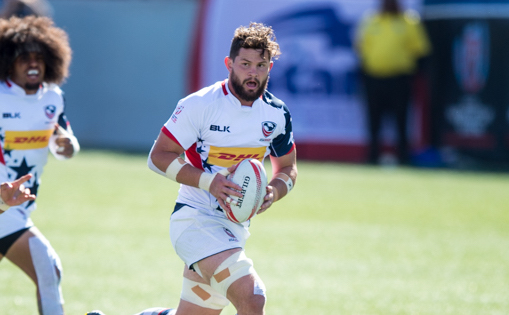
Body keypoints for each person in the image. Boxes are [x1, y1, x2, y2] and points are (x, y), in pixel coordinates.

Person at [88, 22, 297, 315]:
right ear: (229, 64)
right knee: (253, 298)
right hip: (194, 220)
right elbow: (158, 156)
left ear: (270, 68)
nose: (253, 72)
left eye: (261, 65)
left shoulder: (276, 113)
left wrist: (273, 192)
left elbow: (288, 168)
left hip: (234, 229)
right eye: (245, 64)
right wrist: (210, 182)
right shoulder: (199, 105)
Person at [0, 15, 78, 315]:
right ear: (9, 62)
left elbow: (62, 137)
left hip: (18, 208)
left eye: (39, 58)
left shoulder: (53, 98)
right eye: (24, 58)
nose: (32, 64)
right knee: (48, 267)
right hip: (5, 208)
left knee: (49, 270)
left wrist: (67, 145)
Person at [355, 0, 431, 165]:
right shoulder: (371, 21)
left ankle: (403, 157)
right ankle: (372, 157)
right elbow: (361, 49)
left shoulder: (410, 21)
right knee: (373, 121)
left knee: (401, 120)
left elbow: (420, 51)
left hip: (400, 79)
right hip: (374, 79)